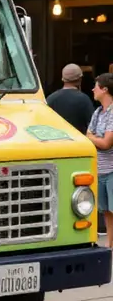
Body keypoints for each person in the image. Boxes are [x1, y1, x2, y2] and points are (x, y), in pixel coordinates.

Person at [87, 73, 113, 249]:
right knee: (106, 212)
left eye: (96, 86)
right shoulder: (97, 112)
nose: (93, 89)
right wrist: (96, 138)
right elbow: (88, 135)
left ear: (105, 89)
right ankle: (111, 246)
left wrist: (93, 138)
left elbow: (106, 143)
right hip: (100, 170)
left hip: (111, 170)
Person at [46, 63, 94, 133]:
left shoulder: (51, 98)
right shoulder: (84, 99)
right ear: (80, 79)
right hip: (78, 142)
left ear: (63, 79)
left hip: (56, 141)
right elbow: (92, 124)